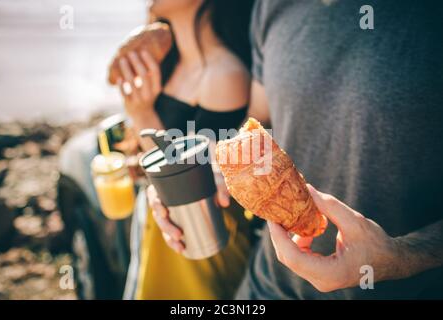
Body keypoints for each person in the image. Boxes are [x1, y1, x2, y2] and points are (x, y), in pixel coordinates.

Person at [159, 0, 443, 299]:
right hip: (268, 286)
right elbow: (256, 125)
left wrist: (402, 255)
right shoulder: (270, 6)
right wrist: (190, 172)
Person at [116, 0, 258, 299]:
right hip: (160, 230)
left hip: (195, 250)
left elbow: (190, 180)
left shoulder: (224, 75)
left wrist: (142, 114)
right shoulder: (168, 62)